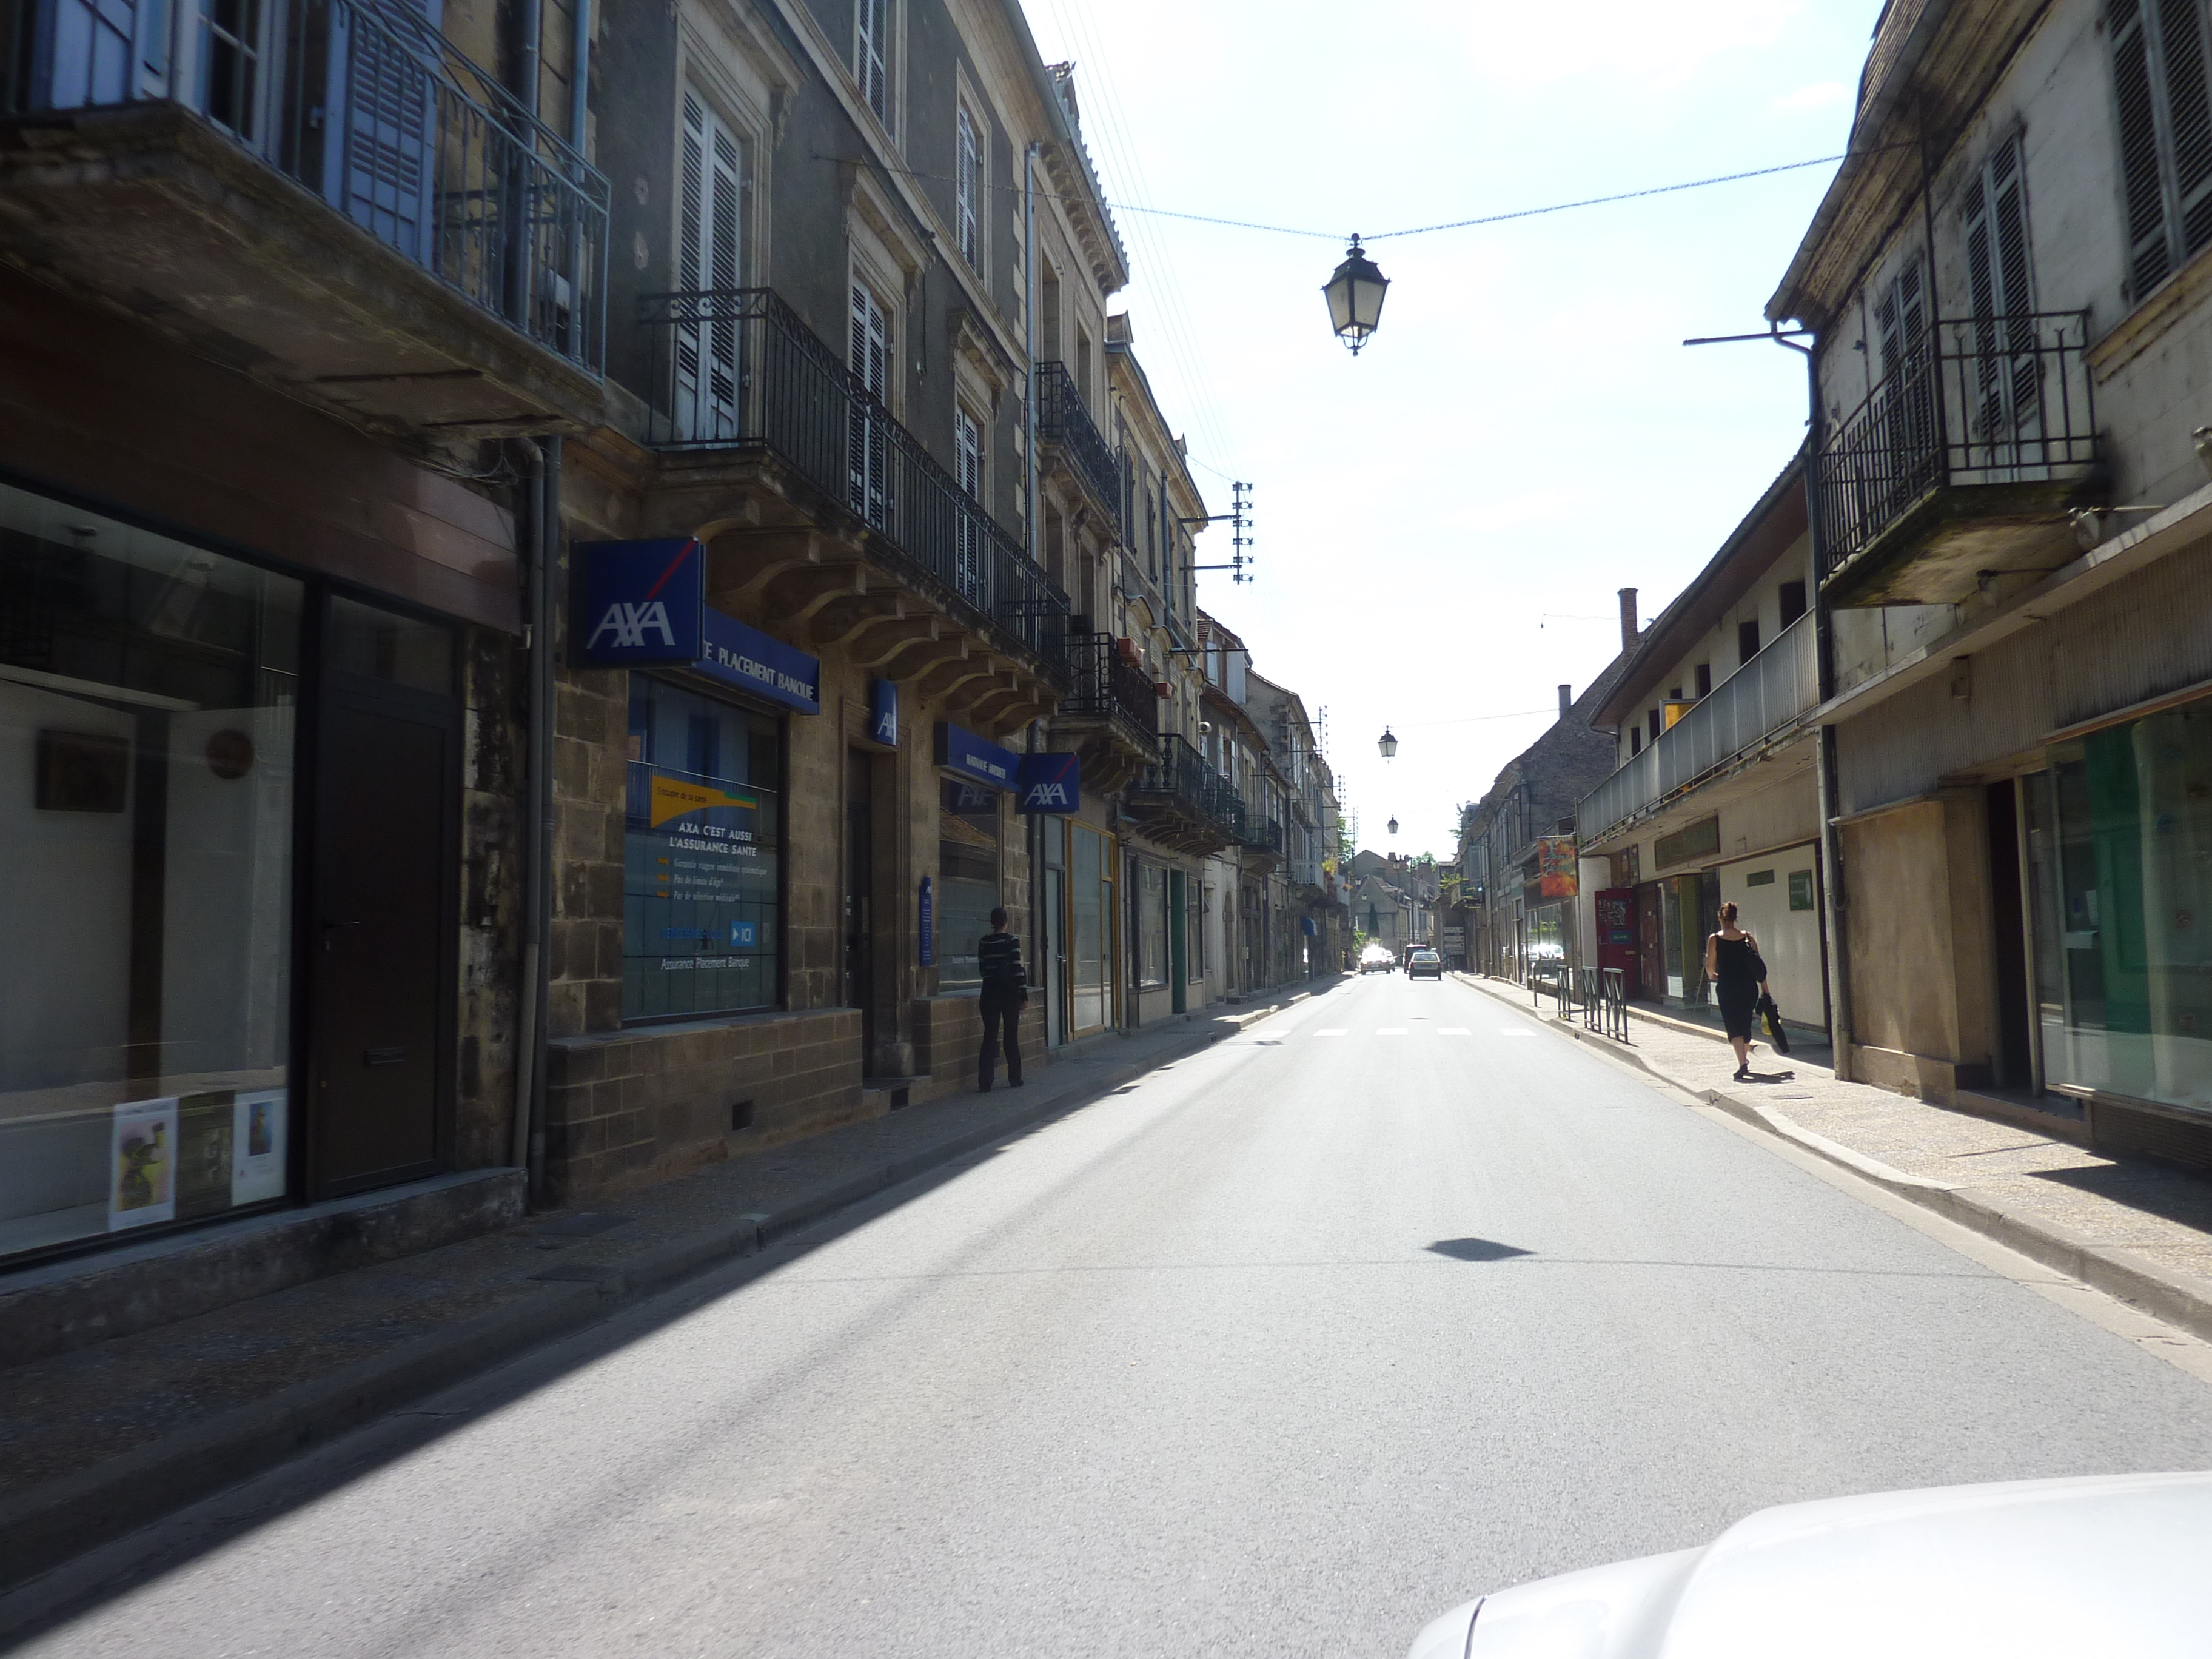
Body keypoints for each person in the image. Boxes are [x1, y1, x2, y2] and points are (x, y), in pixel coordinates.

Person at [1704, 901, 1772, 1082]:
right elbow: (1759, 966)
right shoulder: (1748, 937)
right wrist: (1765, 990)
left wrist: (1713, 975)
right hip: (1748, 987)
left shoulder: (1715, 939)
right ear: (1735, 918)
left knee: (1733, 1024)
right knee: (1745, 1021)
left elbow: (1710, 966)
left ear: (1720, 918)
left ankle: (1742, 1063)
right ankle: (1745, 1058)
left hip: (1727, 986)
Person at [976, 905, 1027, 1091]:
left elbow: (982, 969)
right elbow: (1017, 968)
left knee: (989, 1035)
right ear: (1006, 922)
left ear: (992, 923)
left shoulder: (984, 943)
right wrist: (1023, 994)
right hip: (1009, 993)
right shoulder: (1012, 941)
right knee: (1010, 1036)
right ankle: (1015, 1078)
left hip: (989, 992)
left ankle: (985, 1081)